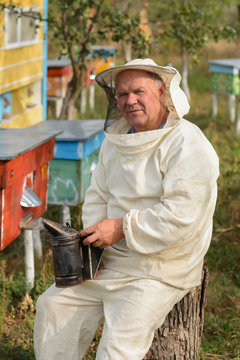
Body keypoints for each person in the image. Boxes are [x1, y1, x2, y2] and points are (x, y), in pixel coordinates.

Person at [34, 58, 219, 360]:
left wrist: (120, 228)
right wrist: (94, 250)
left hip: (159, 269)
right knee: (53, 305)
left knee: (117, 348)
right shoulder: (116, 141)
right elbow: (97, 196)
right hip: (109, 262)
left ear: (162, 92)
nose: (129, 100)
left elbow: (182, 215)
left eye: (139, 91)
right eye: (122, 94)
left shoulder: (187, 143)